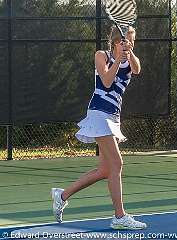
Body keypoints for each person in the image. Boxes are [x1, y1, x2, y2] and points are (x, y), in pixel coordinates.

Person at [50, 26, 147, 230]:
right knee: (117, 164)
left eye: (132, 41)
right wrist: (117, 58)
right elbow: (106, 80)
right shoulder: (101, 55)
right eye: (126, 41)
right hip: (98, 114)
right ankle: (119, 216)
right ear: (115, 42)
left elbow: (137, 69)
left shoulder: (129, 60)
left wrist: (127, 54)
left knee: (105, 170)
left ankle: (62, 195)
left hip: (113, 117)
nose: (129, 44)